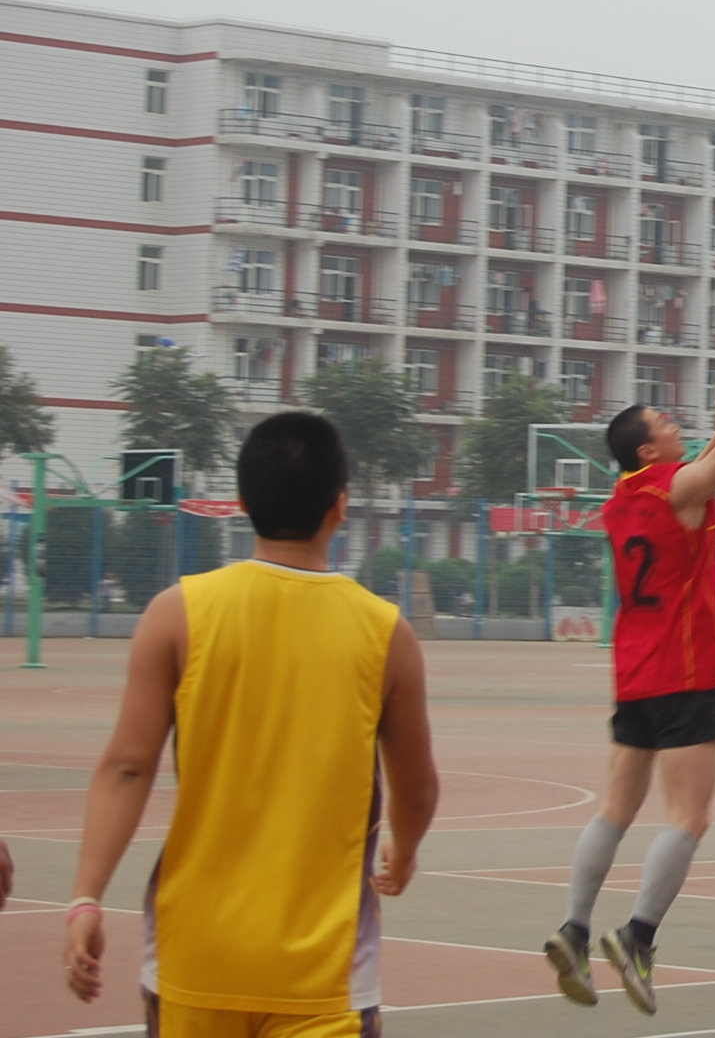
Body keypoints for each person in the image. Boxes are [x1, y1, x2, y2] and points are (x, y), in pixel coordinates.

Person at [63, 411, 441, 1032]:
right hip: (325, 972)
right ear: (340, 506)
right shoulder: (385, 633)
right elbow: (417, 788)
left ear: (241, 504)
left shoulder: (176, 614)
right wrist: (403, 851)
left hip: (196, 955)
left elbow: (127, 767)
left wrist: (86, 898)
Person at [546, 309, 715, 1015]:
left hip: (634, 675)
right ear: (647, 449)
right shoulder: (678, 490)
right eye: (665, 423)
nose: (675, 425)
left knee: (615, 807)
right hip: (684, 674)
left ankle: (575, 929)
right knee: (689, 817)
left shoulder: (623, 500)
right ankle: (636, 936)